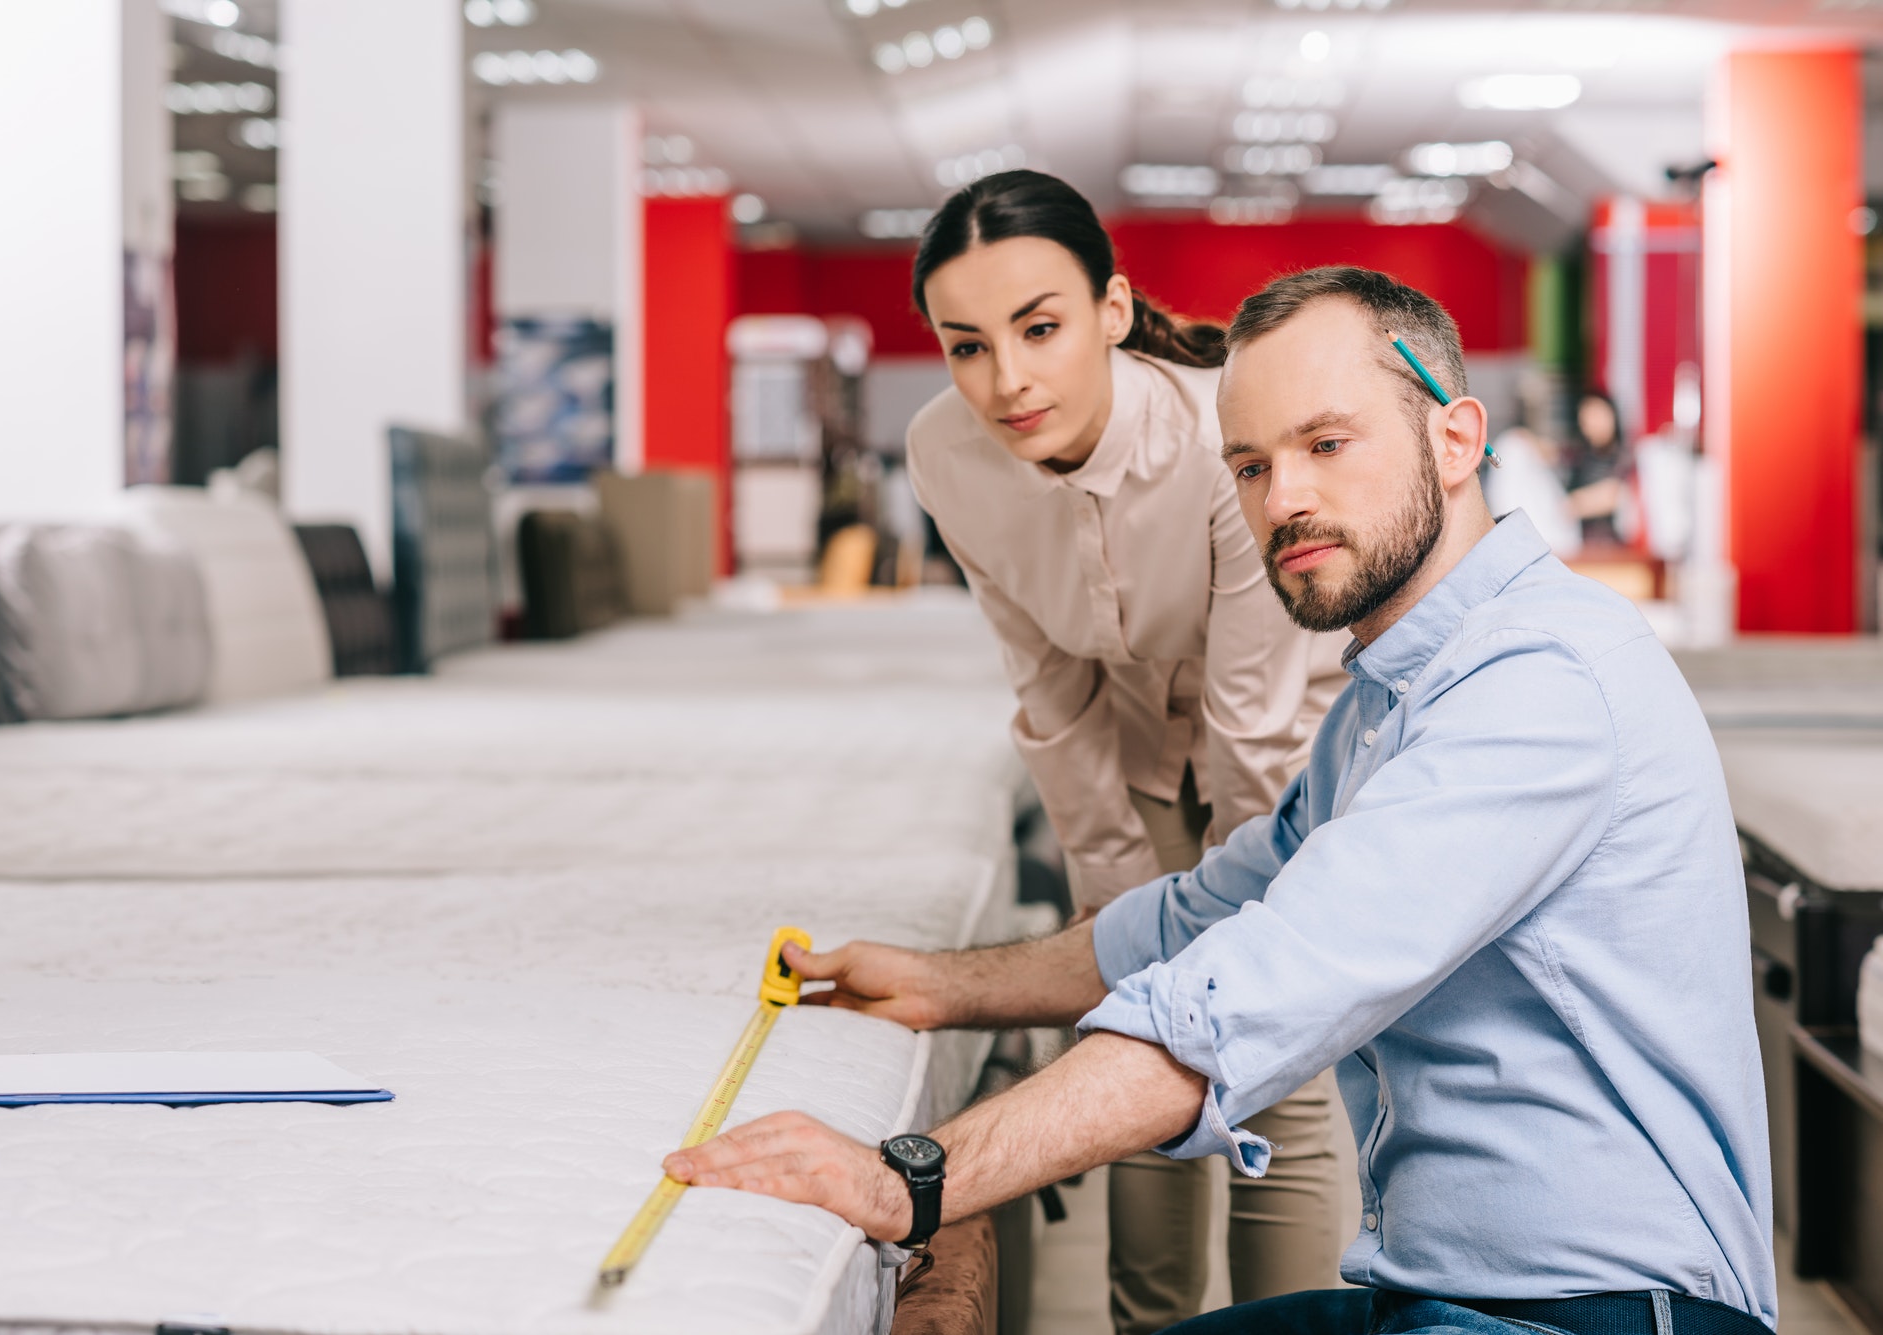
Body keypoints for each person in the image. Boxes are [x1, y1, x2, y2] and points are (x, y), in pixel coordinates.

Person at [666, 266, 1776, 1335]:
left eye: (1324, 445)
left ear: (1455, 439)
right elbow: (1193, 918)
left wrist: (910, 1181)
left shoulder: (1537, 687)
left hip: (1604, 1316)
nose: (1281, 499)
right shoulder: (1386, 704)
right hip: (1445, 1297)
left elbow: (1244, 996)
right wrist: (941, 988)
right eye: (1247, 466)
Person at [900, 169, 1348, 1333]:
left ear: (1110, 309)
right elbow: (1046, 690)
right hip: (1138, 750)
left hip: (1287, 749)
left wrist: (1245, 925)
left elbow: (1254, 721)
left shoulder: (1217, 435)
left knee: (1276, 1067)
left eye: (1039, 328)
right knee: (1134, 1043)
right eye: (966, 347)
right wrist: (1116, 924)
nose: (1006, 381)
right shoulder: (944, 455)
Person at [1566, 389, 1631, 545]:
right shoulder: (1581, 459)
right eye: (1587, 420)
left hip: (1619, 548)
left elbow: (1616, 495)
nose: (1594, 424)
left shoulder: (1626, 456)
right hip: (1585, 548)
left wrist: (1575, 504)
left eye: (1598, 415)